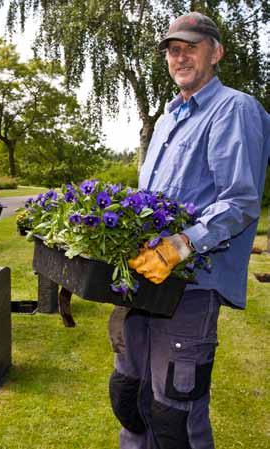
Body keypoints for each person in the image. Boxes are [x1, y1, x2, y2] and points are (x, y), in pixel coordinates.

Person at [108, 11, 270, 449]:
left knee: (174, 415)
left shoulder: (234, 109)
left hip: (190, 287)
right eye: (173, 50)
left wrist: (179, 246)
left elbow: (240, 201)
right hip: (142, 284)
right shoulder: (166, 119)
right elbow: (151, 202)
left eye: (190, 47)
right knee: (129, 399)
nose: (180, 57)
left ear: (215, 52)